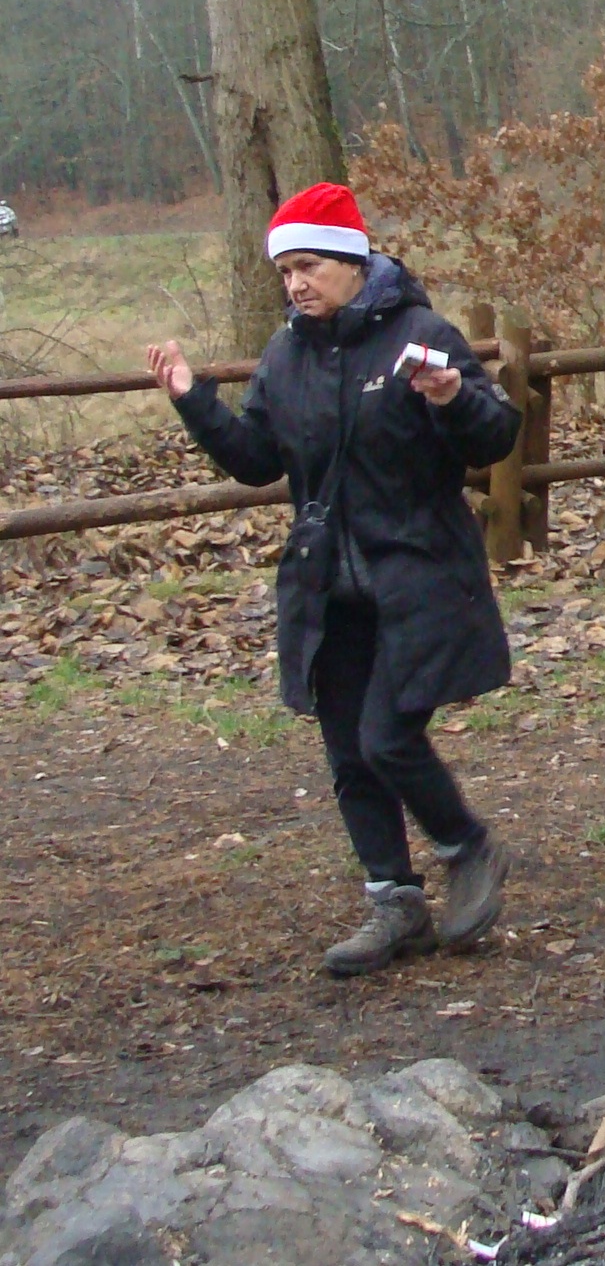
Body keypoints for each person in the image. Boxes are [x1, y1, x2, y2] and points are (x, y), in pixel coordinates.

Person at [146, 183, 523, 977]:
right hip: (328, 589)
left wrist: (454, 398)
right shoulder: (287, 357)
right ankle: (394, 903)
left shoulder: (421, 335)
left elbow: (493, 438)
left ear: (353, 262)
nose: (296, 284)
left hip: (419, 575)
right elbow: (256, 460)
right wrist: (192, 400)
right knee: (349, 753)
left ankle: (468, 847)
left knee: (386, 737)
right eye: (286, 271)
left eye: (309, 266)